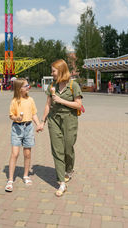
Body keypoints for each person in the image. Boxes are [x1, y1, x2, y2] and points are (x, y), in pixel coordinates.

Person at [39, 59, 83, 197]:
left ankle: (69, 170)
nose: (52, 73)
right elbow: (47, 105)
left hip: (70, 120)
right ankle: (61, 183)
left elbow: (78, 105)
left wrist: (61, 100)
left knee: (68, 148)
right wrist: (42, 122)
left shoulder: (73, 85)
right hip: (54, 120)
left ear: (61, 70)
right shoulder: (52, 86)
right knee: (57, 150)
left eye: (53, 71)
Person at [5, 78, 42, 192]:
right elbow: (11, 115)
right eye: (26, 86)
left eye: (28, 85)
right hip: (17, 127)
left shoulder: (30, 100)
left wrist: (38, 124)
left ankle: (26, 175)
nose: (28, 87)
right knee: (15, 154)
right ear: (19, 88)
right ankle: (10, 179)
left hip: (29, 127)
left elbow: (34, 114)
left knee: (27, 154)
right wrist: (17, 118)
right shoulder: (14, 101)